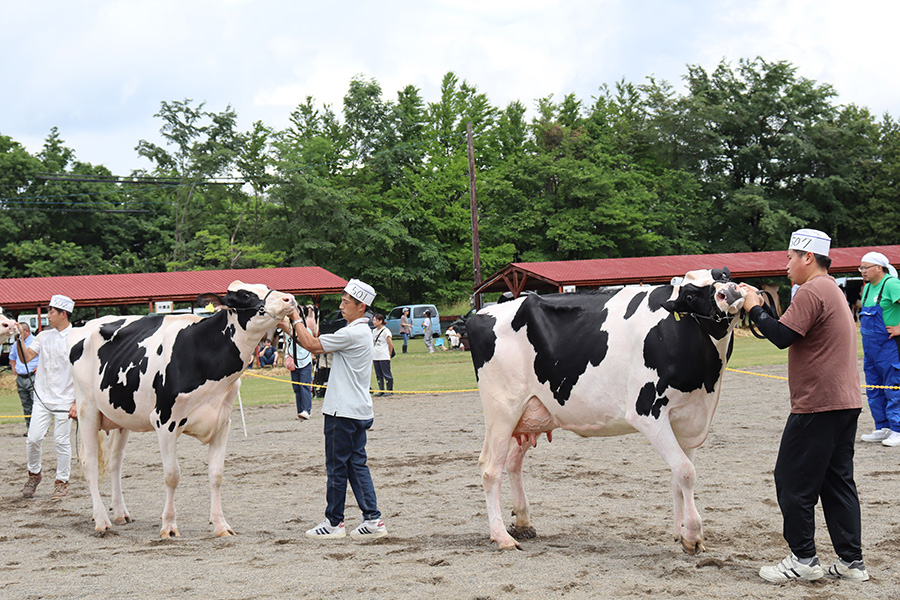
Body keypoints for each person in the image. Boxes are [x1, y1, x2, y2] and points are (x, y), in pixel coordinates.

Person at [740, 229, 868, 583]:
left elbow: (781, 336)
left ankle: (802, 559)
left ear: (807, 257)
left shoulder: (813, 289)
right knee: (836, 481)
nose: (786, 265)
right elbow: (788, 329)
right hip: (844, 401)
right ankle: (851, 561)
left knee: (791, 480)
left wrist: (752, 307)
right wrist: (762, 310)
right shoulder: (832, 289)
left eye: (789, 257)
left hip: (819, 404)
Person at [281, 278, 387, 540]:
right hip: (358, 410)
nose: (341, 306)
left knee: (337, 468)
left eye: (346, 302)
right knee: (356, 465)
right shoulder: (359, 330)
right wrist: (283, 320)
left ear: (361, 307)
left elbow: (311, 344)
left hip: (343, 411)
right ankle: (372, 519)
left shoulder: (352, 333)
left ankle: (334, 522)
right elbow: (307, 337)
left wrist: (295, 314)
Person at [17, 295, 78, 501]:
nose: (48, 314)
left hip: (65, 399)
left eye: (51, 311)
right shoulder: (43, 336)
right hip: (42, 398)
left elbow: (82, 372)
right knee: (33, 439)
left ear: (63, 314)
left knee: (61, 441)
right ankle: (34, 475)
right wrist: (20, 338)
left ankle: (62, 481)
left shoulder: (76, 338)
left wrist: (77, 402)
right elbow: (26, 357)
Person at [856, 251, 900, 445]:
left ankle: (898, 429)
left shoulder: (891, 284)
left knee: (893, 387)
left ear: (879, 268)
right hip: (871, 350)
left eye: (866, 267)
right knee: (874, 388)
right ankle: (883, 427)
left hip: (890, 348)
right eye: (861, 268)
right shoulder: (867, 289)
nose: (862, 271)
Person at [8, 321, 39, 436]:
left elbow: (46, 357)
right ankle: (29, 428)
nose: (18, 335)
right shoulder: (17, 343)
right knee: (26, 404)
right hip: (21, 377)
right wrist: (13, 368)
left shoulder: (36, 341)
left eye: (20, 332)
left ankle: (40, 430)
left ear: (26, 331)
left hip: (33, 376)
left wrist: (39, 367)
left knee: (35, 403)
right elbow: (12, 357)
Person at [284, 319, 314, 420]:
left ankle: (306, 410)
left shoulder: (307, 331)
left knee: (304, 386)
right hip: (294, 362)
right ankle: (300, 411)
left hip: (305, 361)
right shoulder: (288, 332)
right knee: (296, 388)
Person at [372, 314, 394, 397]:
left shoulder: (386, 331)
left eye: (375, 320)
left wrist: (390, 354)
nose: (373, 322)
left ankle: (389, 390)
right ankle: (381, 390)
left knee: (386, 373)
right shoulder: (374, 331)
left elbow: (390, 344)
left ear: (380, 321)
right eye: (373, 320)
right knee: (378, 374)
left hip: (384, 355)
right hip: (376, 355)